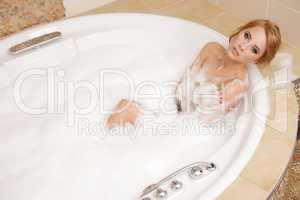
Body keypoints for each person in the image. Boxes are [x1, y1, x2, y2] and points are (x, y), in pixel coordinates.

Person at [106, 19, 281, 128]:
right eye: (247, 36)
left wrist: (163, 122)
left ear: (256, 60)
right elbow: (184, 83)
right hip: (171, 106)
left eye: (254, 49)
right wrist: (161, 103)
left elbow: (201, 120)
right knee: (123, 107)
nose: (244, 46)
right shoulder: (211, 49)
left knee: (127, 117)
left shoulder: (238, 84)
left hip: (183, 127)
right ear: (239, 32)